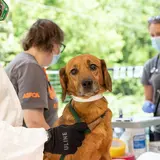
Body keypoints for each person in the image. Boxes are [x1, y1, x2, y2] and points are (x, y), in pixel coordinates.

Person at [141, 16, 160, 138]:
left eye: (159, 34)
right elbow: (149, 99)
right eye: (152, 35)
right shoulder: (150, 65)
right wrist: (148, 104)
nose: (156, 38)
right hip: (158, 128)